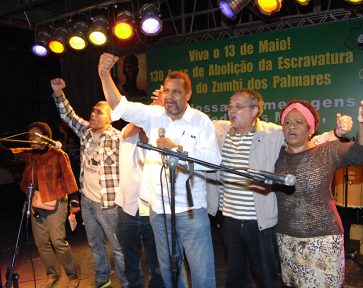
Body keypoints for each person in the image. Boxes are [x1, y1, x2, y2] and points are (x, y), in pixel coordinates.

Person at [206, 89, 353, 288]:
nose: (232, 110)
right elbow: (189, 124)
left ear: (254, 111)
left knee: (267, 277)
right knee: (235, 277)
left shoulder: (272, 133)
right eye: (230, 106)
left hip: (260, 223)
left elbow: (306, 141)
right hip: (230, 221)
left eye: (238, 107)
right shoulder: (219, 130)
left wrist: (335, 134)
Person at [98, 52, 222, 288]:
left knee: (202, 273)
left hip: (191, 210)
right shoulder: (153, 115)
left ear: (188, 94)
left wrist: (179, 150)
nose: (170, 96)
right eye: (166, 90)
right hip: (160, 210)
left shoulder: (201, 120)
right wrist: (104, 74)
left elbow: (213, 161)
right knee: (170, 272)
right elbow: (119, 106)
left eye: (176, 91)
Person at [274, 99, 363, 287]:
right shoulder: (277, 154)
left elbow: (361, 153)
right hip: (287, 240)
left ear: (310, 129)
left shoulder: (325, 152)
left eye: (299, 122)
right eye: (287, 122)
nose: (291, 126)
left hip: (322, 241)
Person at [50, 78, 128, 288]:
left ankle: (127, 282)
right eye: (92, 111)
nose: (93, 114)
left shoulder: (118, 138)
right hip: (88, 202)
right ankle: (103, 280)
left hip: (109, 204)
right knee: (95, 244)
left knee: (119, 247)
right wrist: (59, 94)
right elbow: (68, 115)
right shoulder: (86, 133)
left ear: (110, 118)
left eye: (99, 112)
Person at [0, 121, 80, 288]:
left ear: (45, 138)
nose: (30, 138)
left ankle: (73, 275)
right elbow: (9, 155)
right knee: (41, 243)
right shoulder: (29, 154)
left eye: (34, 135)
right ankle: (52, 274)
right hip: (36, 203)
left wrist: (74, 201)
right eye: (29, 135)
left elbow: (69, 178)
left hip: (56, 202)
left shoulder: (58, 154)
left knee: (58, 241)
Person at [116, 122, 164, 288]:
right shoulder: (127, 137)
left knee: (157, 261)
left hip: (153, 209)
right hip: (128, 209)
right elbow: (133, 125)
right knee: (131, 261)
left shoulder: (160, 142)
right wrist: (149, 109)